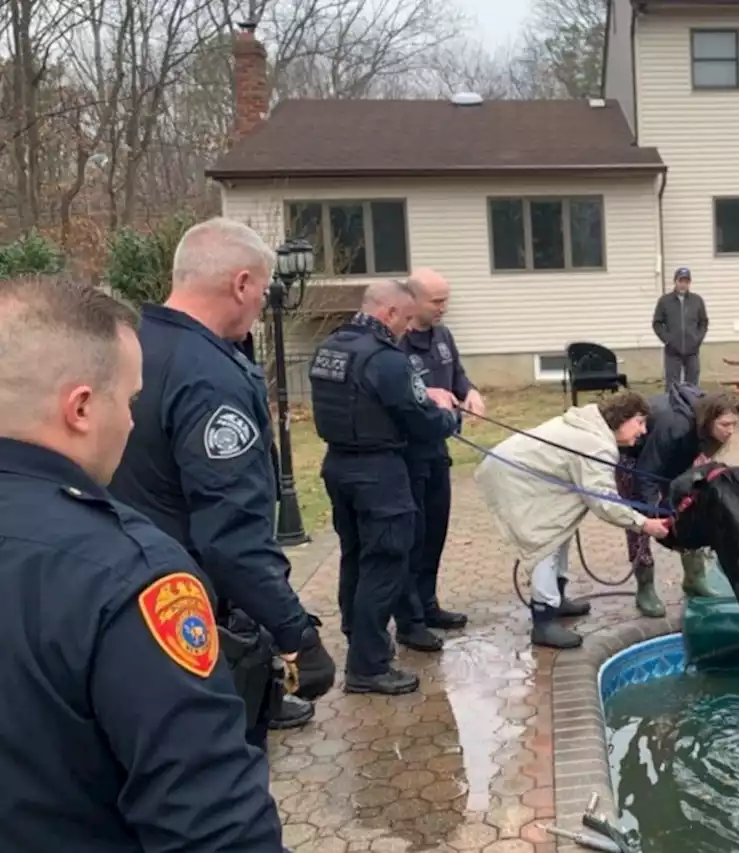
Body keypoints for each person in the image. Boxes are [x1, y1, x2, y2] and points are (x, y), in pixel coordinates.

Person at [0, 275, 285, 852]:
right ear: (80, 407)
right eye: (129, 401)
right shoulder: (130, 575)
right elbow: (212, 823)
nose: (133, 422)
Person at [109, 217, 335, 749]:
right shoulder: (209, 375)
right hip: (193, 617)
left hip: (128, 601)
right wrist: (296, 634)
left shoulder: (134, 346)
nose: (263, 301)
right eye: (263, 288)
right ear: (240, 284)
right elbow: (231, 533)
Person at [308, 279, 457, 694]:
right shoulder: (387, 359)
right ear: (388, 313)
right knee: (386, 563)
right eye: (406, 319)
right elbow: (420, 418)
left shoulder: (331, 347)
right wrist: (451, 420)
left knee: (355, 560)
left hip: (337, 464)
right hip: (379, 472)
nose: (409, 328)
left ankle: (361, 643)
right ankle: (368, 666)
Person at [475, 390, 670, 649]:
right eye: (640, 422)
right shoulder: (596, 445)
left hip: (527, 473)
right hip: (513, 477)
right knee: (544, 540)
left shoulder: (592, 426)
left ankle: (558, 598)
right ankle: (543, 621)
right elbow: (603, 501)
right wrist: (644, 524)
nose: (643, 431)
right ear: (622, 418)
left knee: (561, 529)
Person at [390, 267, 478, 652]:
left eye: (447, 300)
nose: (444, 308)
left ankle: (428, 604)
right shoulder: (396, 344)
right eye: (437, 301)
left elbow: (458, 376)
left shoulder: (443, 337)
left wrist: (470, 392)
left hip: (438, 453)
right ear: (414, 301)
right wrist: (427, 394)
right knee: (412, 537)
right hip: (406, 457)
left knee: (435, 535)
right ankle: (409, 620)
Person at [616, 384, 739, 617]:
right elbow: (646, 472)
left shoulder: (706, 426)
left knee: (692, 509)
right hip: (634, 457)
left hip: (671, 457)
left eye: (734, 424)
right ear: (709, 420)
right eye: (725, 425)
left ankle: (694, 578)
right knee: (639, 522)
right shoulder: (676, 425)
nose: (730, 431)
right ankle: (646, 587)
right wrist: (654, 514)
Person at [652, 267, 709, 389]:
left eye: (686, 282)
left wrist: (697, 339)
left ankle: (691, 407)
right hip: (673, 352)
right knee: (672, 387)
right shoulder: (665, 301)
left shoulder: (697, 300)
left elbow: (703, 322)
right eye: (680, 281)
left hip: (692, 352)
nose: (683, 284)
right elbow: (657, 323)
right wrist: (667, 339)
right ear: (675, 281)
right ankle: (672, 407)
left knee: (693, 387)